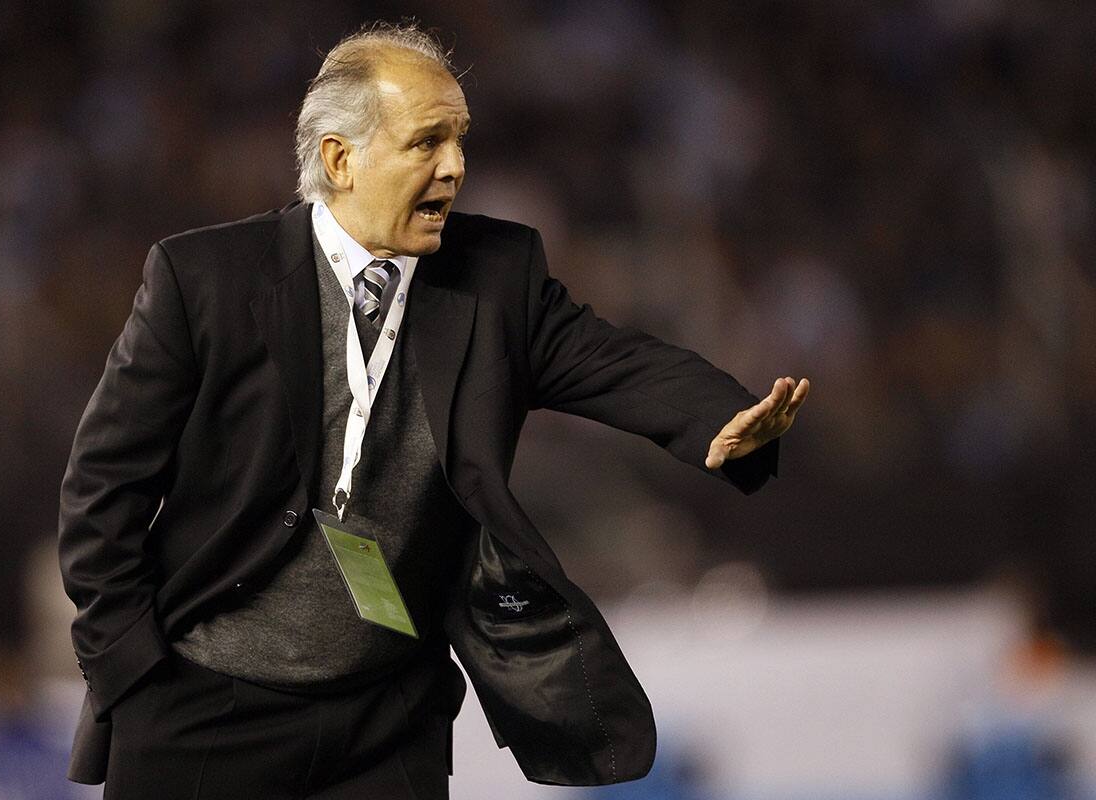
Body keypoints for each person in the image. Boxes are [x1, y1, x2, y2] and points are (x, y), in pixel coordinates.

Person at [58, 21, 809, 800]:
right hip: (204, 711)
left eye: (459, 139)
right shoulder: (205, 279)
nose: (454, 166)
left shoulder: (496, 277)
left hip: (383, 726)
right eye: (426, 142)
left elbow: (615, 362)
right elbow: (101, 489)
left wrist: (723, 417)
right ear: (339, 159)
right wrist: (132, 673)